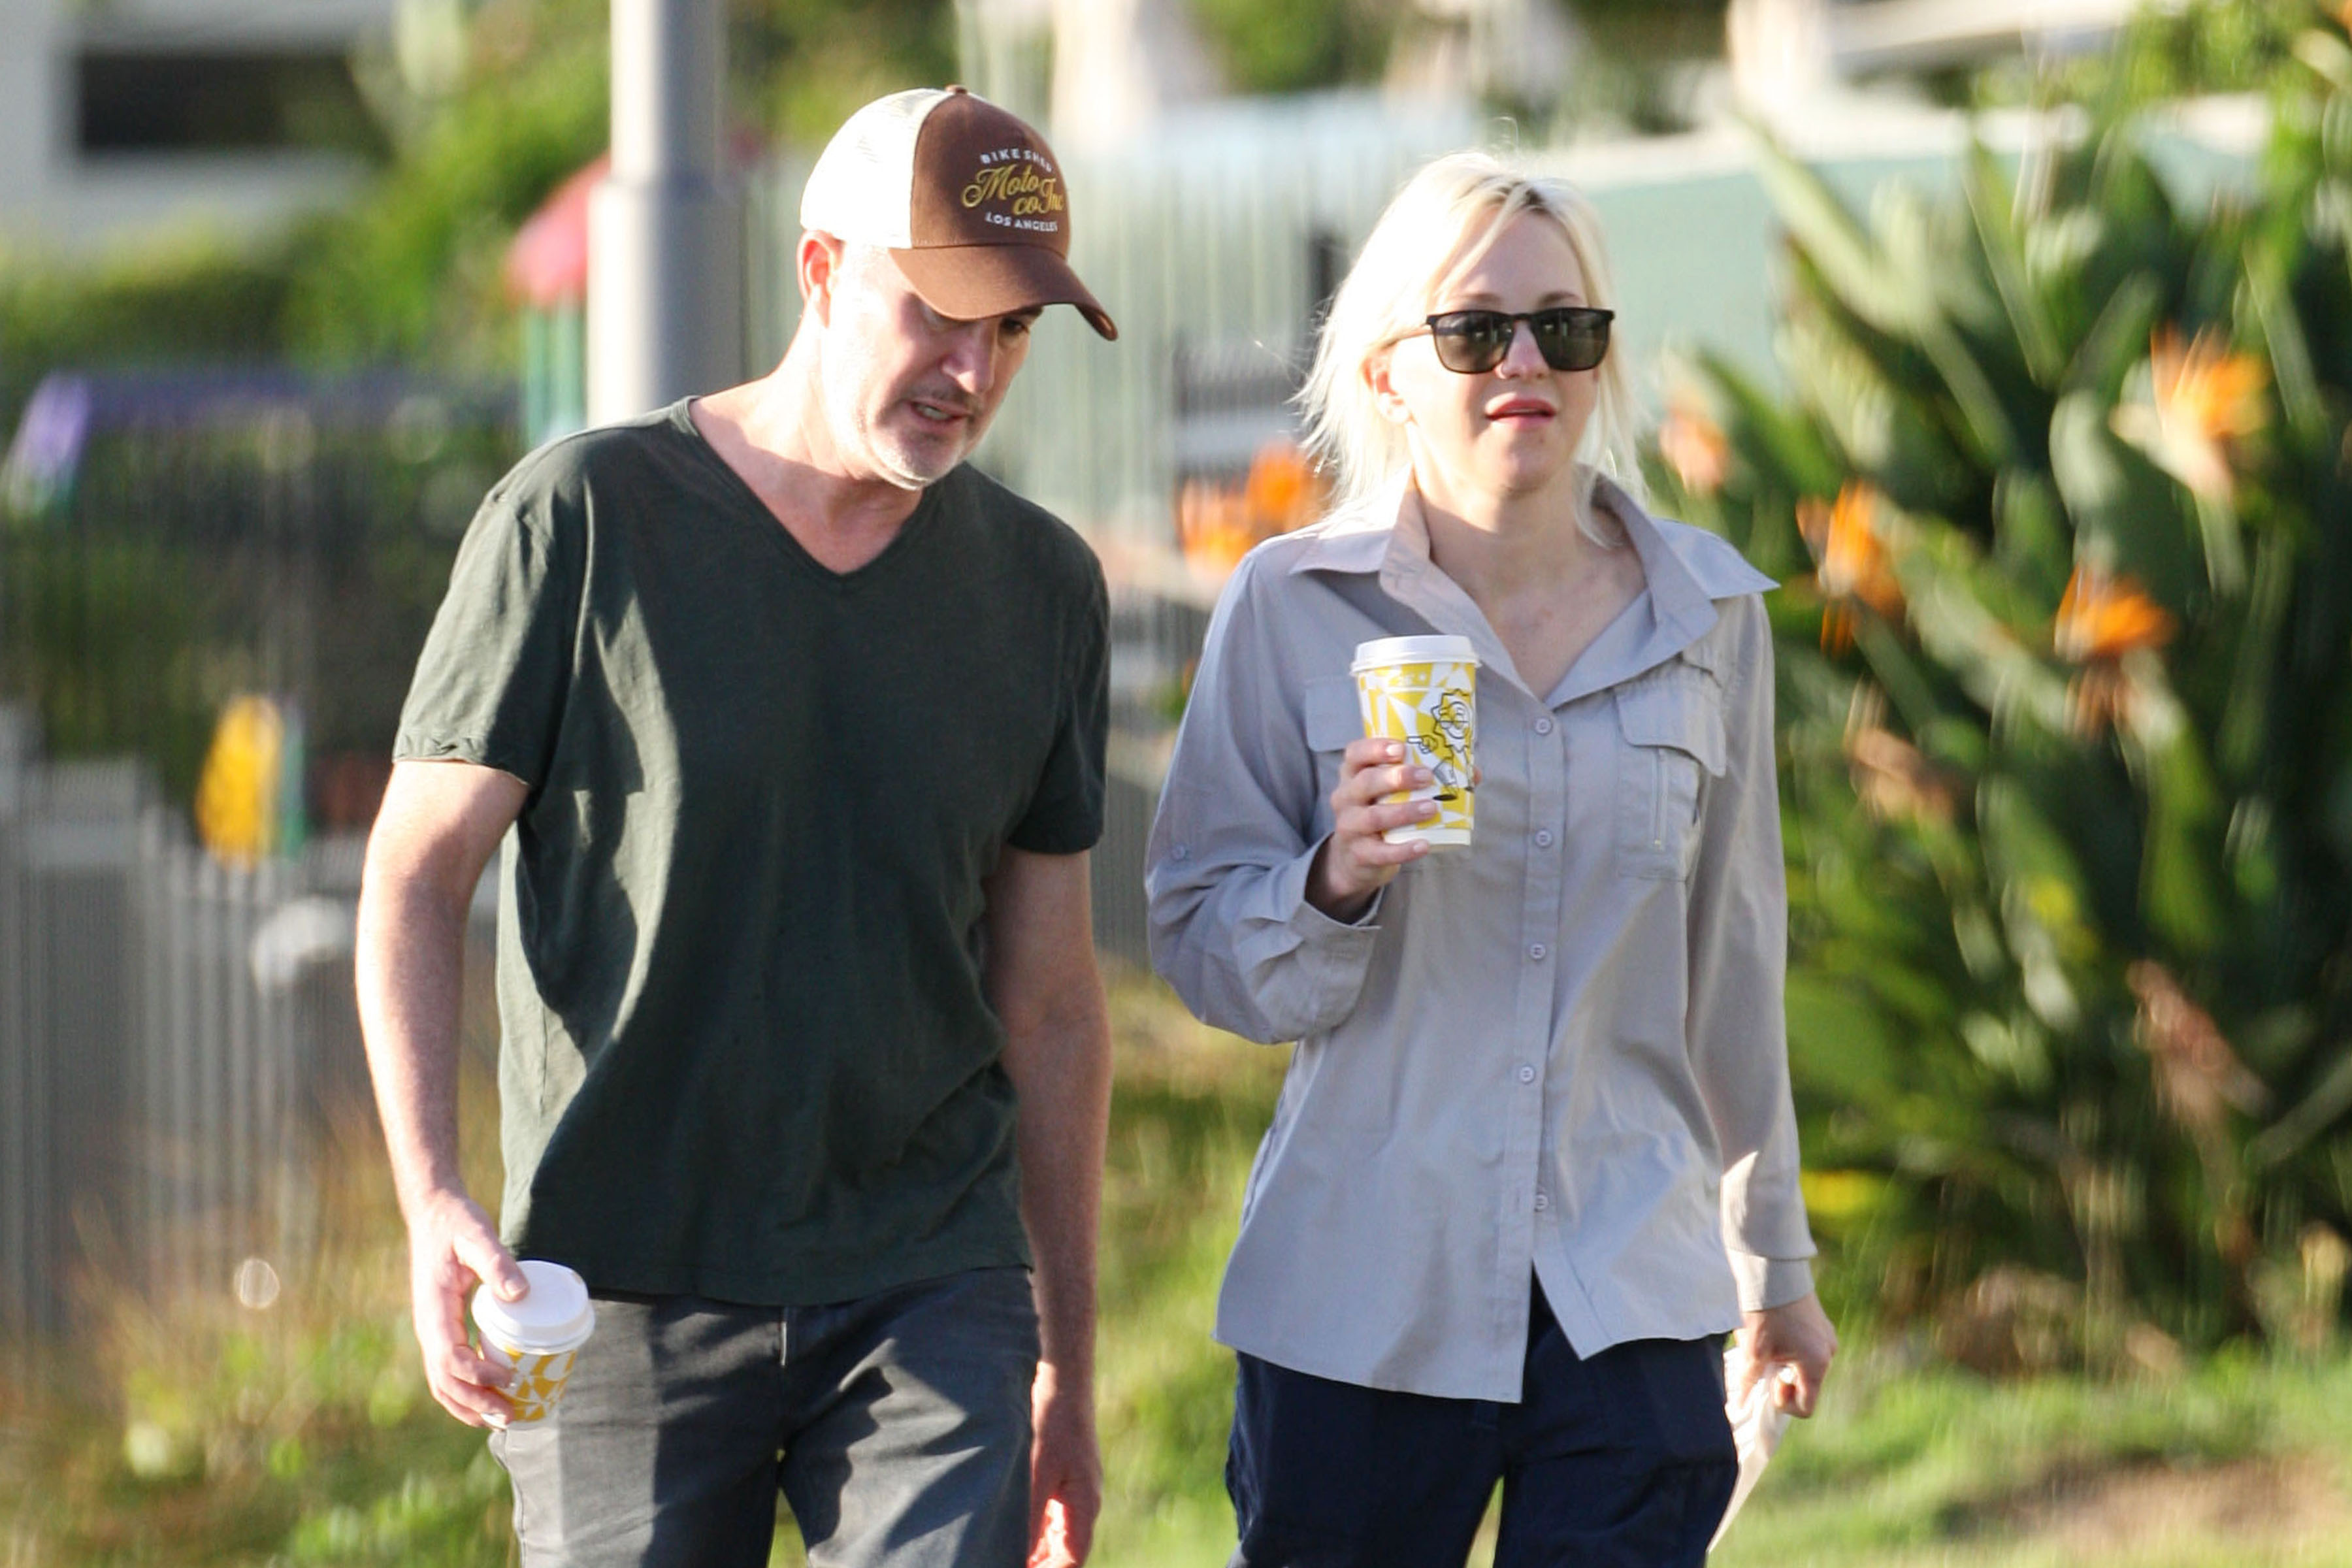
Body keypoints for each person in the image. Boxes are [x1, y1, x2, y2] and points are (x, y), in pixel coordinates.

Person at [356, 86, 1117, 1568]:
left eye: (1013, 331)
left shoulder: (1042, 591)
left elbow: (1055, 1007)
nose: (972, 370)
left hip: (929, 1280)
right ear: (822, 271)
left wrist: (1066, 1374)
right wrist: (432, 1195)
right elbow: (412, 869)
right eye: (941, 313)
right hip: (623, 1279)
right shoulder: (579, 522)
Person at [1145, 151, 1837, 1568]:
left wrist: (1774, 1267)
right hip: (1359, 1296)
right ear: (1393, 369)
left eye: (1565, 328)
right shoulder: (1289, 607)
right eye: (1475, 330)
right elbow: (1206, 951)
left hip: (1627, 1287)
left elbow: (1734, 965)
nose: (1526, 361)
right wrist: (1334, 879)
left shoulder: (1709, 613)